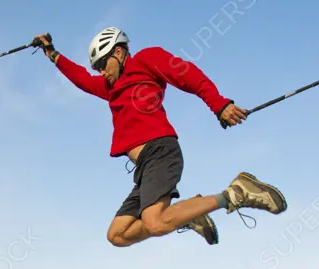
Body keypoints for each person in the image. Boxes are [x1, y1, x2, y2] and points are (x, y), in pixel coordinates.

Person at [35, 28, 287, 247]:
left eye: (103, 64)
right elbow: (81, 79)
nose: (101, 72)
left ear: (119, 53)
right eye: (97, 68)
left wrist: (219, 105)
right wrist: (52, 54)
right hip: (144, 168)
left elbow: (188, 75)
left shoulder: (146, 60)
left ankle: (234, 194)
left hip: (160, 151)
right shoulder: (110, 88)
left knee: (154, 222)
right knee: (117, 235)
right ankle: (188, 214)